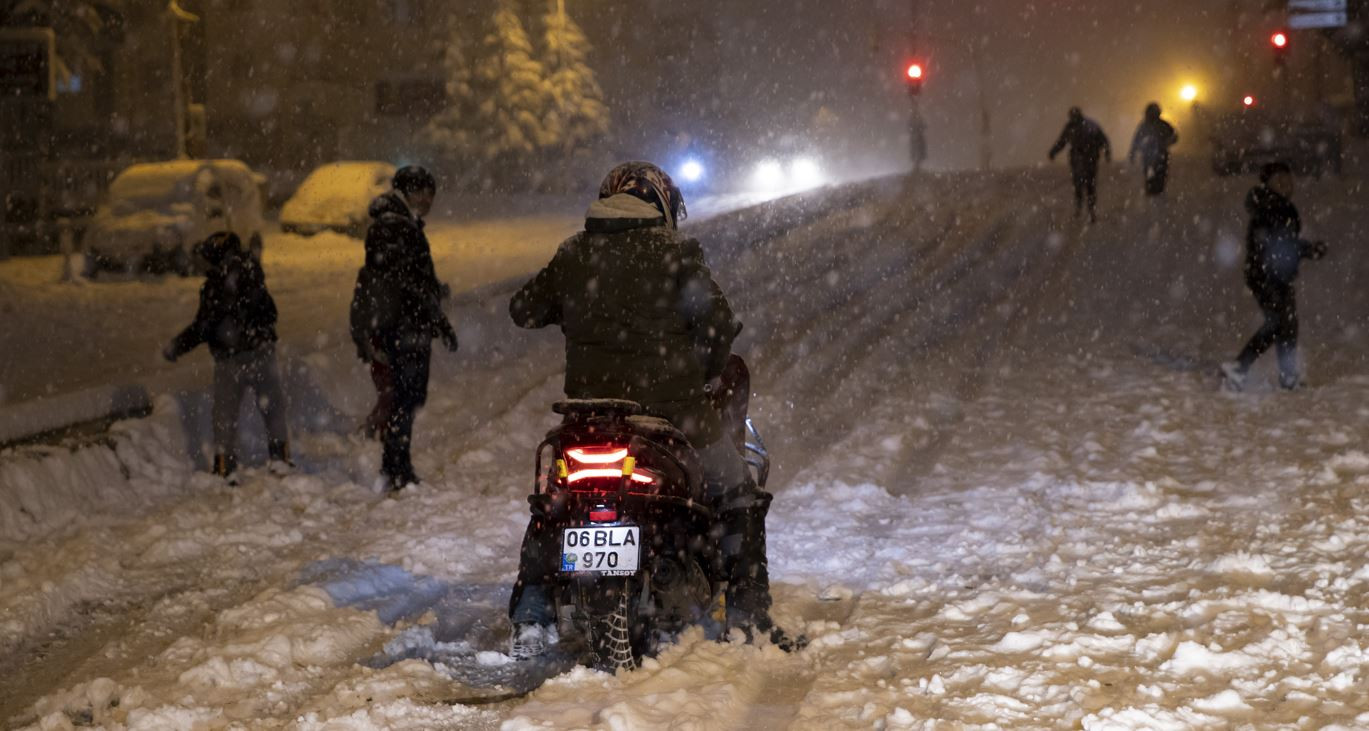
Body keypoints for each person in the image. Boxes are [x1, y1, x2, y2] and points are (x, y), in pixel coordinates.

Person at [505, 161, 797, 657]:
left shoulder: (575, 252)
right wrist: (700, 372)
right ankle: (750, 619)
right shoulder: (677, 254)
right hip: (674, 416)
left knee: (552, 505)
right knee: (739, 498)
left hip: (588, 418)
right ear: (662, 205)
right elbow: (719, 327)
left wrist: (575, 300)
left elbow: (524, 309)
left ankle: (531, 612)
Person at [350, 165, 459, 492]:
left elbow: (407, 278)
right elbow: (405, 281)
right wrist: (435, 316)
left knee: (406, 395)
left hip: (400, 321)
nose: (429, 200)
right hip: (404, 324)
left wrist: (433, 298)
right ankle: (396, 466)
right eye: (423, 192)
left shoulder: (397, 224)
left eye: (432, 194)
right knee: (407, 394)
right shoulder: (396, 227)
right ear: (408, 191)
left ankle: (396, 462)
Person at [163, 231, 290, 483]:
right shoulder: (253, 274)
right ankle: (280, 457)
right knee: (272, 408)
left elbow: (203, 326)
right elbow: (271, 312)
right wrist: (258, 335)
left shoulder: (215, 285)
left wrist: (177, 346)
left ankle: (225, 465)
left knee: (225, 414)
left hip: (230, 359)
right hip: (261, 353)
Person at [1221, 162, 1328, 391]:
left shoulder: (1280, 206)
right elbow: (1280, 244)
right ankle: (1239, 367)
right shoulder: (1271, 207)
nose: (1286, 184)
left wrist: (1305, 250)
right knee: (1278, 323)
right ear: (1268, 184)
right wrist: (1307, 250)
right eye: (1279, 180)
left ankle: (1288, 377)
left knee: (1288, 324)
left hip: (1279, 274)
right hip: (1266, 275)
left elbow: (1285, 243)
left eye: (1288, 180)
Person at [1049, 107, 1112, 222]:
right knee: (1084, 185)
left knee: (1086, 185)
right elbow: (1062, 141)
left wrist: (1053, 152)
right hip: (1082, 159)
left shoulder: (1085, 126)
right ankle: (1085, 210)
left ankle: (1088, 210)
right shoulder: (1085, 125)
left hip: (1086, 158)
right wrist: (1053, 151)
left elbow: (1102, 139)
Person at [1128, 102, 1179, 196]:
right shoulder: (1149, 125)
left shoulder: (1160, 125)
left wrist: (1167, 143)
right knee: (1154, 174)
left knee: (1157, 174)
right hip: (1152, 155)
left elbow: (1174, 136)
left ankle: (1155, 192)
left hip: (1158, 154)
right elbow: (1137, 139)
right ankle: (1154, 192)